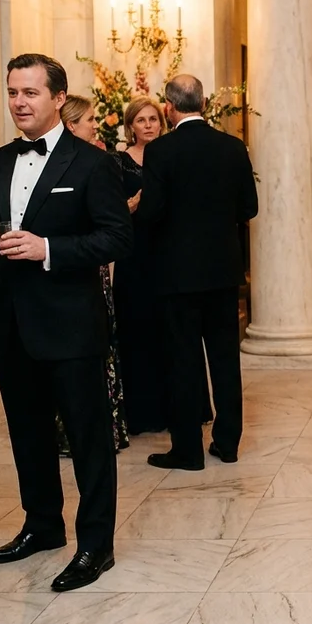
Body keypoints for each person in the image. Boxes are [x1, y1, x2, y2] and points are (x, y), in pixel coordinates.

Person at [0, 53, 131, 591]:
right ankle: (42, 526)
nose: (19, 103)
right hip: (13, 325)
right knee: (27, 433)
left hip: (71, 324)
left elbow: (116, 238)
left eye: (30, 93)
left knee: (87, 438)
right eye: (12, 92)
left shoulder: (92, 163)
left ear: (58, 98)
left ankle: (95, 545)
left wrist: (47, 248)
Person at [139, 74, 258, 470]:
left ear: (169, 107)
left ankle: (188, 450)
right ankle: (227, 443)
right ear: (204, 103)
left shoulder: (161, 151)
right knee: (225, 359)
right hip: (223, 271)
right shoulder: (232, 147)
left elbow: (152, 212)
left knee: (183, 361)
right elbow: (249, 208)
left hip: (176, 275)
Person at [59, 94, 128, 454]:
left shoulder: (98, 162)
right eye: (89, 120)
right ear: (71, 125)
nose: (95, 126)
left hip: (94, 269)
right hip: (71, 275)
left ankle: (105, 427)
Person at [113, 96, 182, 435]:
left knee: (170, 332)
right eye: (141, 120)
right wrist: (130, 205)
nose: (149, 125)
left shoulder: (170, 154)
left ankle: (175, 411)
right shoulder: (118, 161)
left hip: (167, 252)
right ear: (131, 126)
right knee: (137, 331)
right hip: (133, 255)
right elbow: (108, 212)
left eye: (153, 118)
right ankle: (141, 414)